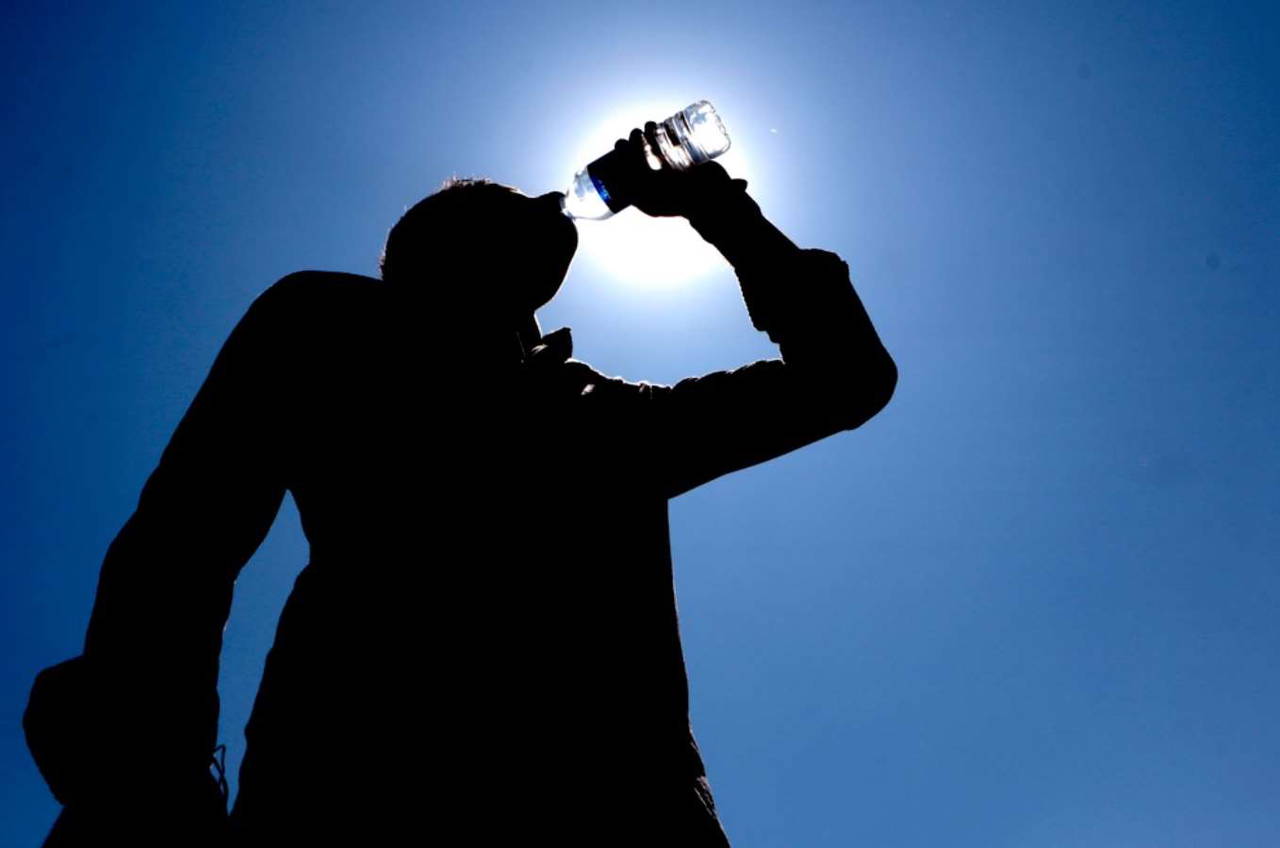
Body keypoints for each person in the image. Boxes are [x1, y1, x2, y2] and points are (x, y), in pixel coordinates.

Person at [25, 124, 897, 846]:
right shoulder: (333, 331)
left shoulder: (607, 420)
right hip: (355, 800)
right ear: (436, 258)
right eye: (504, 202)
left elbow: (848, 379)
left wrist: (720, 207)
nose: (549, 200)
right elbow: (185, 539)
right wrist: (143, 780)